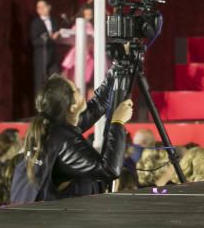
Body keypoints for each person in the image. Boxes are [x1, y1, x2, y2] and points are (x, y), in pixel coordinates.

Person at [14, 67, 132, 202]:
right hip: (50, 219)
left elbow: (97, 105)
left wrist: (116, 69)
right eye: (77, 90)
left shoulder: (52, 126)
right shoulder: (64, 140)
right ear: (73, 107)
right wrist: (117, 122)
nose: (80, 90)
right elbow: (109, 170)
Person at [29, 0, 62, 96]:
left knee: (55, 81)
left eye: (43, 7)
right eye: (38, 7)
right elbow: (34, 41)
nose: (41, 9)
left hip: (53, 56)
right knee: (40, 83)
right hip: (41, 57)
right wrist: (49, 38)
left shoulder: (54, 21)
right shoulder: (35, 23)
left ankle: (54, 106)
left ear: (49, 7)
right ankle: (40, 108)